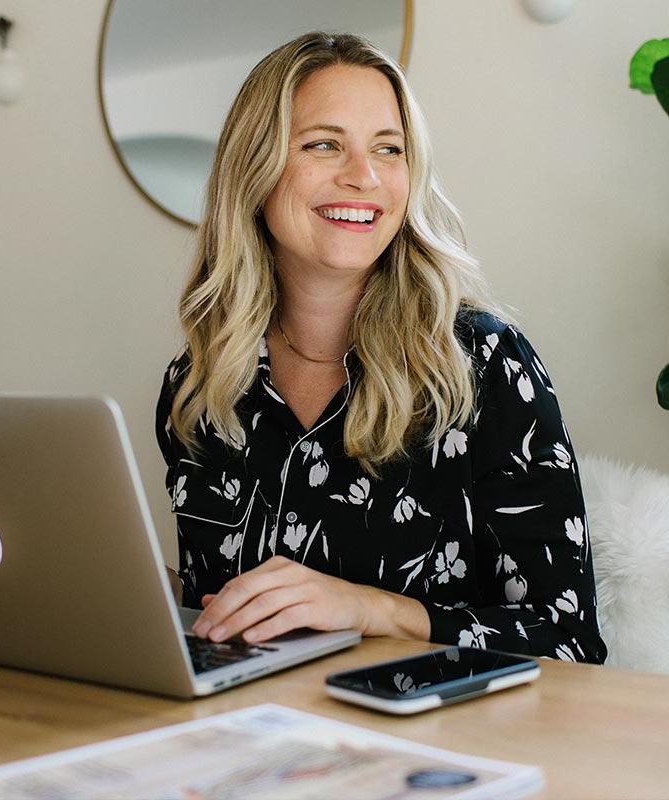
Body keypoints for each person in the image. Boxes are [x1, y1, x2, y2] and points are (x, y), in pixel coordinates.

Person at [155, 32, 606, 663]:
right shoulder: (201, 382)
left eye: (388, 150)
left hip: (436, 744)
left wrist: (372, 610)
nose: (363, 176)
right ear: (253, 169)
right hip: (250, 735)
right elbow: (219, 618)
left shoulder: (486, 367)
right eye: (323, 144)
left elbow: (572, 644)